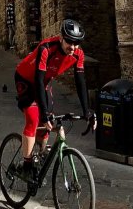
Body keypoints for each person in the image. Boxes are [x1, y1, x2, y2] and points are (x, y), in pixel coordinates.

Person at [12, 19, 95, 176]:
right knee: (34, 118)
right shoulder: (47, 48)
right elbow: (37, 79)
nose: (73, 47)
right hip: (26, 79)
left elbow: (80, 82)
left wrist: (87, 111)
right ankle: (27, 165)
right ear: (61, 38)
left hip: (44, 82)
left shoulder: (78, 54)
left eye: (77, 43)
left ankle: (41, 152)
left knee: (50, 120)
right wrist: (43, 113)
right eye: (69, 42)